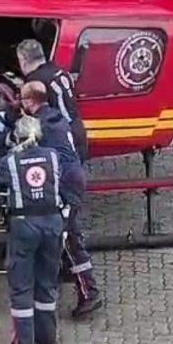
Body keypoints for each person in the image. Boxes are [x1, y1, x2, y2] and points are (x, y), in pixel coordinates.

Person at [18, 81, 104, 318]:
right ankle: (74, 277)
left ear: (29, 101)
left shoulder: (41, 125)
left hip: (65, 184)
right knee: (69, 235)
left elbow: (25, 149)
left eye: (21, 99)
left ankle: (89, 292)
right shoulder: (55, 116)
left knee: (68, 238)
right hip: (73, 177)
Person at [0, 115, 66, 344]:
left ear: (17, 137)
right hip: (53, 223)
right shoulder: (53, 155)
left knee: (21, 286)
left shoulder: (11, 161)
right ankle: (48, 337)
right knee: (46, 282)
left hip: (24, 225)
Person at [15, 38, 88, 164]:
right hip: (77, 131)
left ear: (23, 60)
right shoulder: (61, 72)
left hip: (58, 138)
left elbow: (29, 115)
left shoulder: (34, 81)